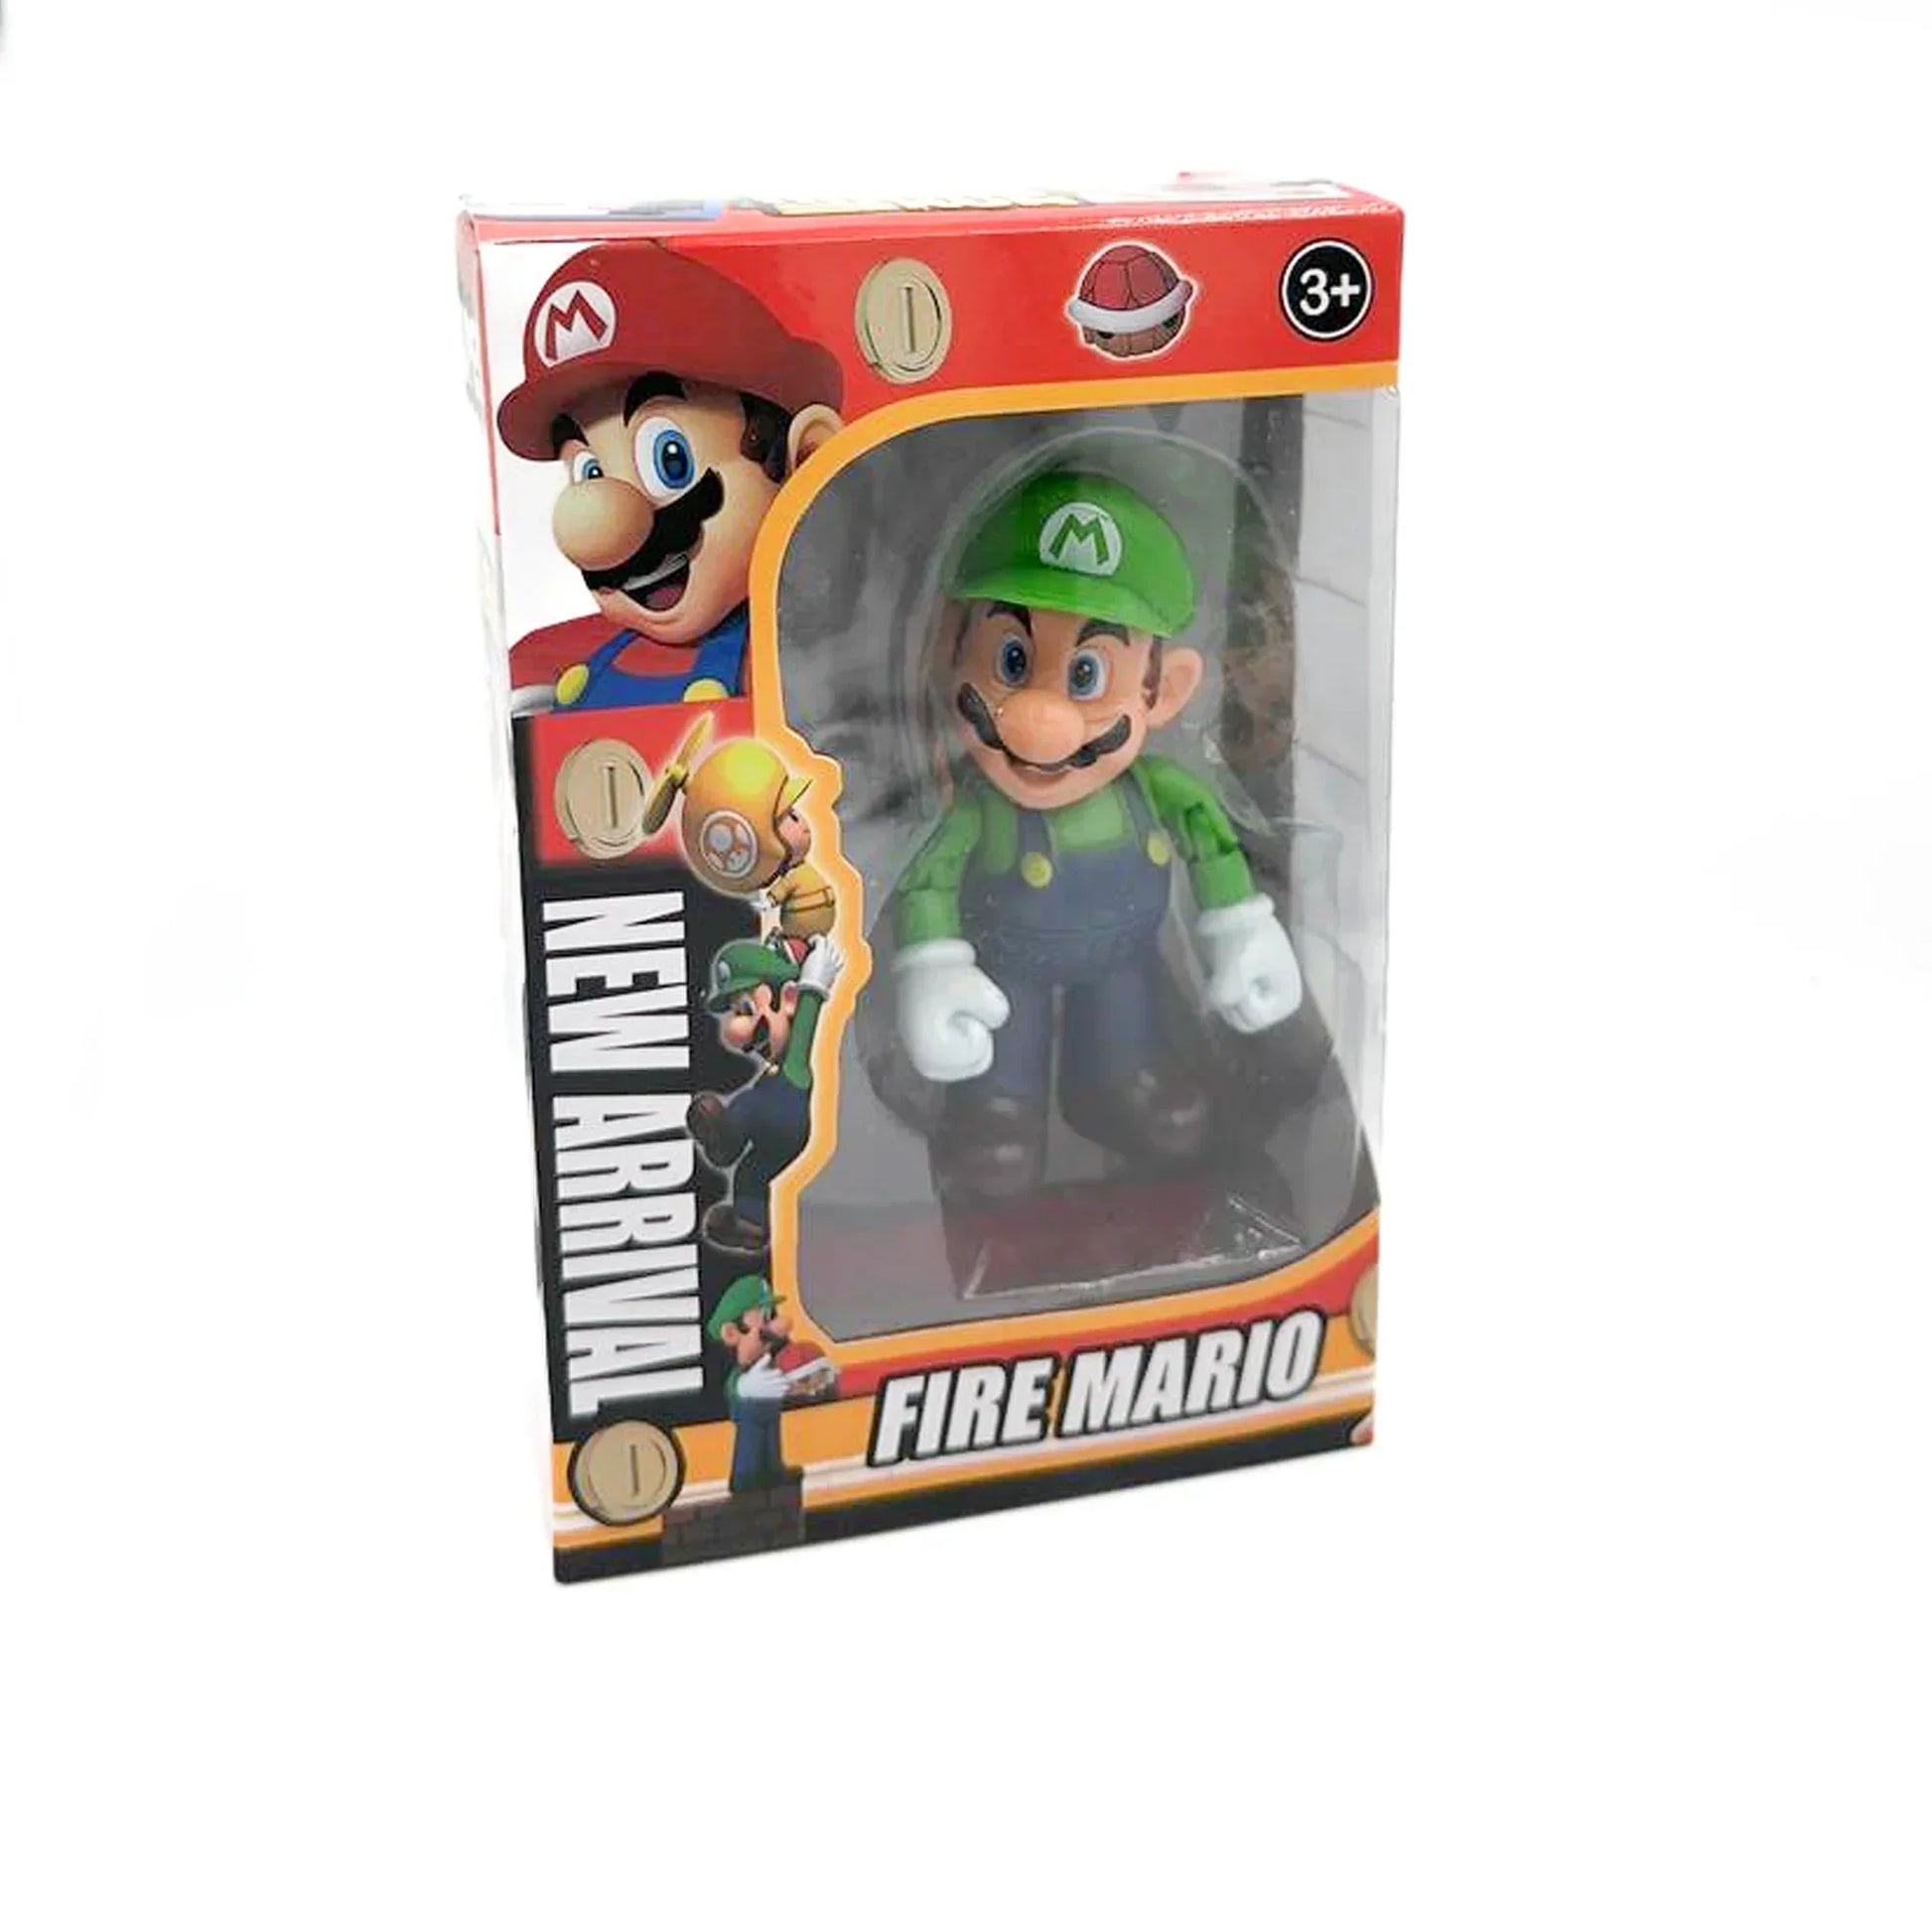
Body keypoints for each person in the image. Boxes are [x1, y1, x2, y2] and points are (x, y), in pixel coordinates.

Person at [891, 472, 1303, 1200]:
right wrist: (933, 967)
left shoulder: (1161, 788)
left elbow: (1212, 846)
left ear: (1163, 690)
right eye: (1013, 662)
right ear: (950, 649)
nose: (1039, 717)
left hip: (1124, 963)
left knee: (1127, 1030)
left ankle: (1115, 1079)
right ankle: (1001, 1104)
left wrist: (1242, 929)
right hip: (1005, 968)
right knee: (1003, 1057)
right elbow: (929, 878)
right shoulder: (974, 807)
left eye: (1086, 673)